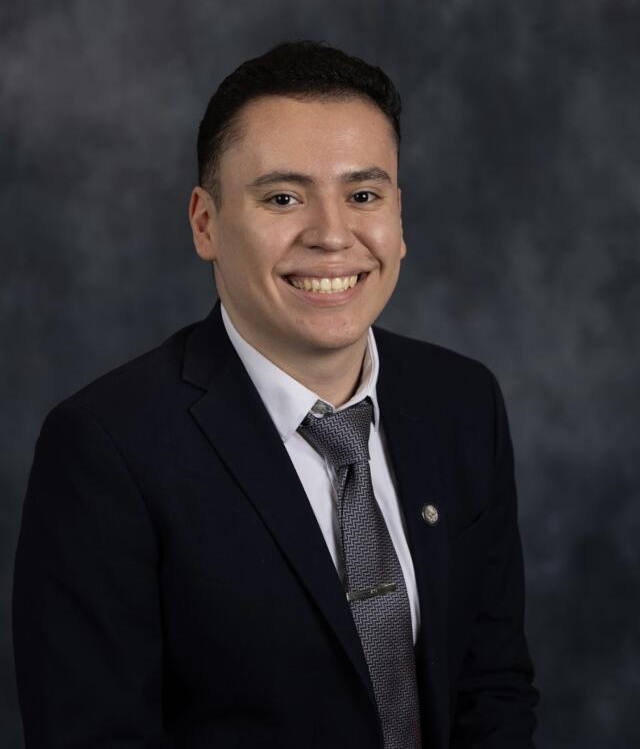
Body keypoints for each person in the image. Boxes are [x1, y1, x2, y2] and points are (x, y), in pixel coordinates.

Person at [13, 41, 539, 748]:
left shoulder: (463, 403)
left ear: (399, 218)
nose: (331, 234)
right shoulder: (108, 448)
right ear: (206, 223)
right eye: (283, 197)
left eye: (363, 194)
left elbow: (492, 687)